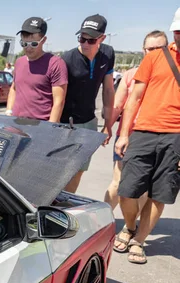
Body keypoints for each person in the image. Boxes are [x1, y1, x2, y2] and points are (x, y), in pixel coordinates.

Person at [113, 10, 180, 264]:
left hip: (176, 137)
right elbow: (135, 98)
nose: (179, 35)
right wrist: (123, 134)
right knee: (126, 191)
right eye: (177, 31)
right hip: (143, 131)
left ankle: (139, 241)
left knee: (160, 193)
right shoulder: (155, 58)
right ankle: (130, 226)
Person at [104, 30, 168, 211]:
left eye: (159, 48)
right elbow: (118, 104)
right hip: (127, 136)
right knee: (118, 183)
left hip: (157, 137)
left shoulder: (171, 76)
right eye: (150, 49)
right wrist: (107, 127)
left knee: (143, 188)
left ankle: (129, 227)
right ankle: (103, 222)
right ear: (143, 50)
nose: (154, 53)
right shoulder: (130, 75)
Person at [60, 14, 116, 193]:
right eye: (82, 38)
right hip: (65, 123)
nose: (85, 44)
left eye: (91, 40)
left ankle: (64, 207)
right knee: (61, 170)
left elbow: (108, 90)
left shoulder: (108, 54)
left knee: (78, 171)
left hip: (89, 122)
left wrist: (107, 125)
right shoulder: (67, 59)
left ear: (102, 38)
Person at [5, 17, 68, 122]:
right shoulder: (19, 62)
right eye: (24, 44)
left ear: (43, 40)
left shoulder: (55, 64)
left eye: (33, 44)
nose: (28, 48)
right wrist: (8, 111)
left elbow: (59, 102)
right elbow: (14, 88)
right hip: (16, 124)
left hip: (41, 126)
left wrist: (50, 129)